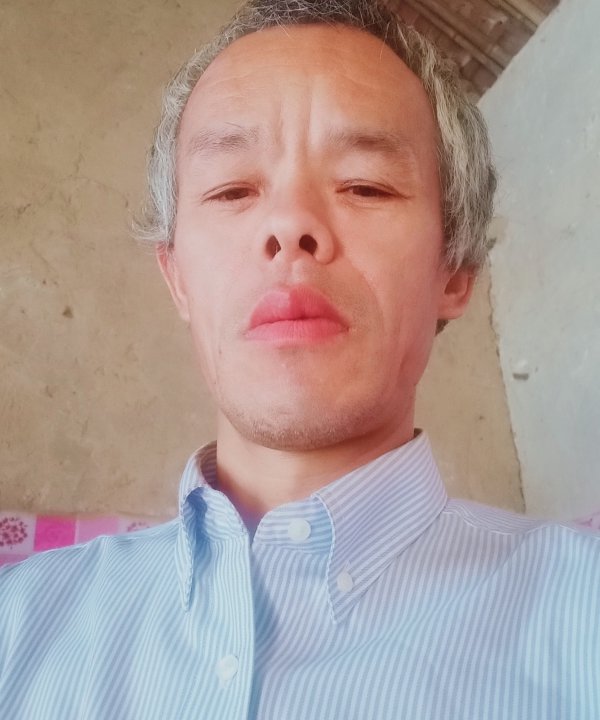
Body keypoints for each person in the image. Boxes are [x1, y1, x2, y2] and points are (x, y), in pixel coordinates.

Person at [1, 0, 598, 717]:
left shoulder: (582, 615)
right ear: (177, 277)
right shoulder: (19, 624)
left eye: (365, 186)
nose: (290, 225)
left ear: (456, 271)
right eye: (232, 189)